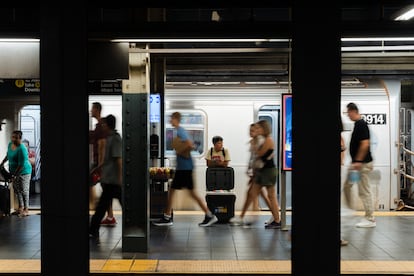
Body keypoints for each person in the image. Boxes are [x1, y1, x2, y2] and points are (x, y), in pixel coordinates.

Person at [153, 111, 218, 227]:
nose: (170, 121)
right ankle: (208, 215)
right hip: (184, 168)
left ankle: (168, 217)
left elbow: (190, 145)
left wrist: (180, 151)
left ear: (176, 119)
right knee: (180, 192)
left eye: (171, 119)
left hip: (185, 168)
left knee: (181, 192)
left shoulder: (180, 131)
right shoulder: (179, 131)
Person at [230, 120, 281, 228]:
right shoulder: (260, 140)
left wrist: (254, 147)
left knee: (269, 196)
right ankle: (273, 218)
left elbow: (260, 154)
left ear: (264, 129)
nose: (257, 131)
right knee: (254, 194)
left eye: (258, 128)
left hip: (268, 171)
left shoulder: (268, 140)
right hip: (261, 171)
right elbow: (257, 157)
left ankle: (275, 219)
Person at [89, 115, 123, 241]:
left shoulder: (115, 139)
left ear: (108, 125)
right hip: (109, 179)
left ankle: (93, 229)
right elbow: (108, 160)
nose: (102, 126)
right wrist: (97, 168)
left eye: (103, 124)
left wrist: (120, 179)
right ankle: (93, 229)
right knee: (103, 205)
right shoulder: (109, 138)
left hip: (113, 180)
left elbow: (118, 160)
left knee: (102, 206)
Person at [343, 102, 375, 228]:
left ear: (353, 111)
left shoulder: (361, 124)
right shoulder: (358, 125)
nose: (347, 115)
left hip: (362, 165)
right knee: (347, 186)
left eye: (348, 112)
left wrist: (358, 161)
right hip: (356, 166)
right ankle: (350, 211)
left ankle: (370, 218)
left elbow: (365, 144)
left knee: (364, 191)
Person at [89, 102, 116, 226]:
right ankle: (109, 216)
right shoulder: (99, 126)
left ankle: (96, 208)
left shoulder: (101, 126)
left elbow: (101, 145)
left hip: (99, 163)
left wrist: (99, 164)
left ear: (97, 110)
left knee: (97, 187)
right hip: (99, 163)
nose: (90, 111)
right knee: (106, 190)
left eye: (92, 108)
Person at [0, 130, 32, 217]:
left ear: (20, 138)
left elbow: (21, 165)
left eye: (15, 137)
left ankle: (26, 209)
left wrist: (15, 175)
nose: (13, 139)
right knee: (17, 190)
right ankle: (20, 208)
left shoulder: (22, 148)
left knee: (24, 190)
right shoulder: (10, 144)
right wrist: (2, 163)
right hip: (14, 171)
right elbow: (8, 155)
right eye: (12, 137)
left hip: (24, 172)